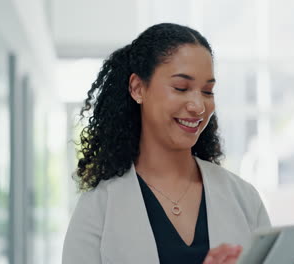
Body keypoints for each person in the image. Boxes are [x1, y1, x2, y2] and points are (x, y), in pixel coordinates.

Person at [62, 23, 271, 264]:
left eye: (207, 91)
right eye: (181, 88)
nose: (198, 106)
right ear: (138, 88)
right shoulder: (98, 208)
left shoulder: (244, 197)